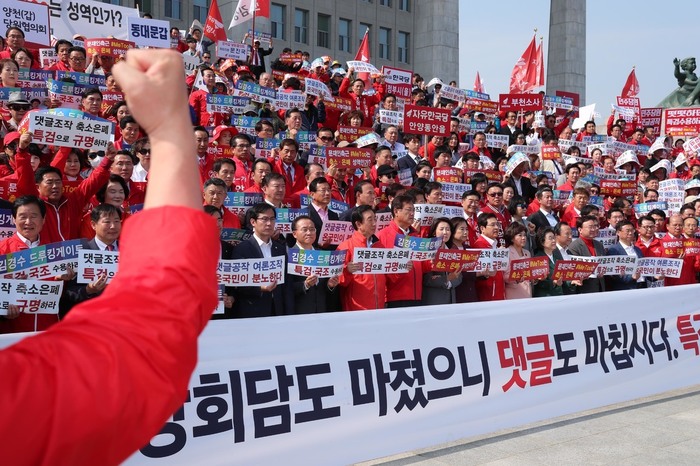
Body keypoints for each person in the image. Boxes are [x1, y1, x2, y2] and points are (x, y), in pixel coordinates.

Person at [0, 49, 220, 465]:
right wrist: (169, 126)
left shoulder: (72, 200)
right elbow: (151, 328)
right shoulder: (21, 405)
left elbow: (92, 179)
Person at [231, 203, 293, 317]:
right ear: (253, 222)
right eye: (264, 219)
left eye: (272, 219)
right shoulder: (242, 249)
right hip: (253, 310)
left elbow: (286, 285)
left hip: (277, 310)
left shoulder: (279, 248)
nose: (269, 223)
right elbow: (238, 284)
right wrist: (260, 288)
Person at [62, 203, 122, 313]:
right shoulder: (81, 252)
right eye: (107, 222)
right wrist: (88, 290)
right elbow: (69, 293)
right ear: (93, 225)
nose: (113, 226)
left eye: (117, 221)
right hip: (92, 317)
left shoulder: (129, 250)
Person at [375, 194, 424, 307]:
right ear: (396, 211)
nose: (412, 213)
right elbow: (381, 269)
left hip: (417, 295)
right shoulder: (383, 236)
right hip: (394, 297)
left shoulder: (415, 236)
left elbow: (422, 265)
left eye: (414, 210)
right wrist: (400, 268)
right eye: (408, 210)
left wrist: (430, 261)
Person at [337, 205, 387, 310]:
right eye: (370, 220)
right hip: (357, 307)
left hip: (380, 305)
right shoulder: (346, 247)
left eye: (375, 219)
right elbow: (337, 280)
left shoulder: (379, 246)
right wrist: (347, 271)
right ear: (359, 224)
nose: (374, 223)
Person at [288, 215, 340, 313]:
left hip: (322, 310)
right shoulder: (289, 255)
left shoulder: (322, 254)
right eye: (304, 229)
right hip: (299, 312)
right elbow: (285, 288)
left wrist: (330, 285)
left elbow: (325, 286)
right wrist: (305, 284)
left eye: (312, 229)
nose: (309, 233)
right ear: (294, 234)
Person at [422, 217, 462, 305]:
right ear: (434, 232)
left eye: (448, 229)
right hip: (434, 300)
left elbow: (459, 276)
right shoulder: (427, 251)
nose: (445, 232)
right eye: (441, 229)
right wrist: (447, 278)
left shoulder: (453, 251)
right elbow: (427, 279)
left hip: (451, 299)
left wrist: (450, 282)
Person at [567, 215, 606, 293]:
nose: (594, 229)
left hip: (600, 287)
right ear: (580, 229)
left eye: (595, 226)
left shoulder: (599, 245)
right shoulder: (574, 246)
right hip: (584, 288)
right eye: (590, 227)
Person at [473, 212, 506, 301]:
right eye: (492, 225)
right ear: (482, 228)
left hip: (498, 290)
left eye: (497, 224)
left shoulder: (495, 244)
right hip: (488, 293)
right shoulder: (479, 245)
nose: (496, 227)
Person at [606, 220, 644, 291]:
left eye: (632, 230)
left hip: (641, 287)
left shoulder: (637, 249)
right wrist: (631, 277)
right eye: (627, 231)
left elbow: (644, 269)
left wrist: (654, 277)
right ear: (618, 232)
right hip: (624, 289)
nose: (630, 233)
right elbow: (613, 274)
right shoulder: (613, 250)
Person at [504, 222, 533, 299]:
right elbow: (504, 276)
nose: (523, 238)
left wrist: (536, 278)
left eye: (524, 235)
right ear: (512, 238)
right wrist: (516, 278)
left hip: (527, 293)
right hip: (513, 295)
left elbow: (529, 274)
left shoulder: (527, 253)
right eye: (520, 235)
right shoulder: (507, 253)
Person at [533, 227, 565, 297]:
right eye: (550, 238)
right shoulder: (538, 258)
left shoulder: (557, 256)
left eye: (554, 238)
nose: (554, 241)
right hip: (545, 297)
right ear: (542, 242)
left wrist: (573, 281)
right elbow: (539, 282)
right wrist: (553, 282)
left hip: (559, 295)